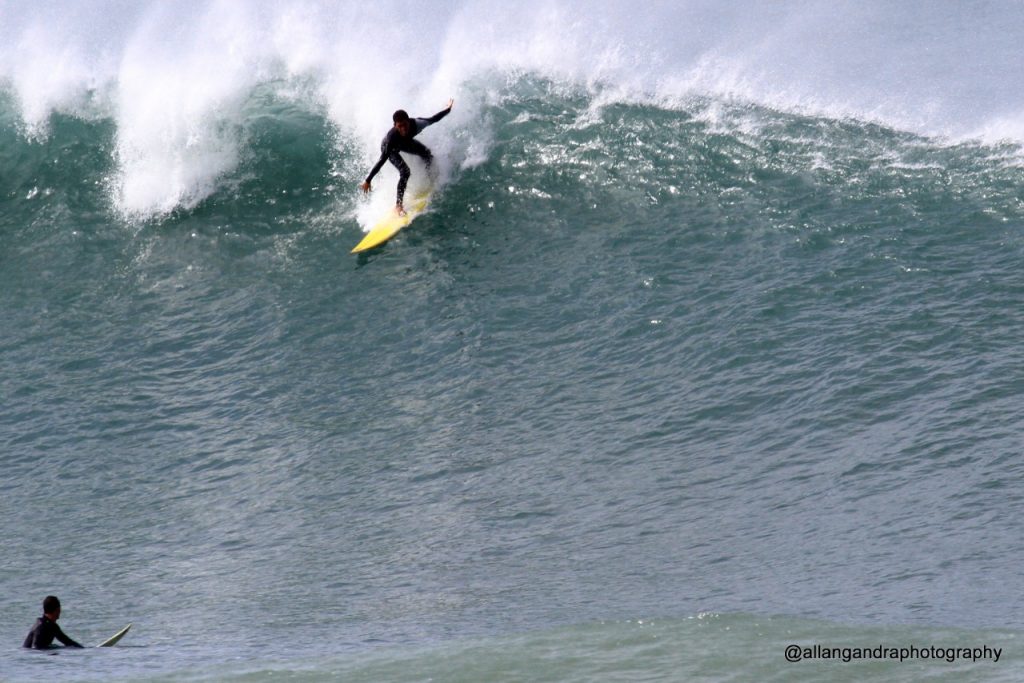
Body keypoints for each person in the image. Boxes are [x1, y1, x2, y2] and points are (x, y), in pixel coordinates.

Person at [360, 98, 454, 215]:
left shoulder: (418, 124)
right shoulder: (391, 139)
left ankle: (431, 181)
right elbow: (382, 160)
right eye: (400, 126)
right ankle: (398, 206)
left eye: (405, 125)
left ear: (409, 121)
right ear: (395, 126)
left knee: (427, 155)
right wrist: (368, 180)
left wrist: (448, 109)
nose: (403, 128)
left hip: (405, 143)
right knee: (405, 172)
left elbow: (434, 119)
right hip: (391, 149)